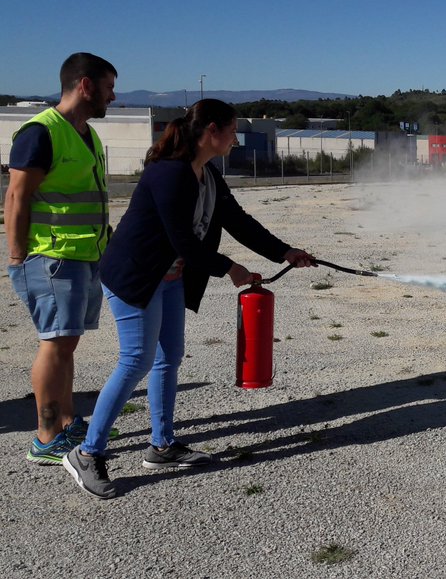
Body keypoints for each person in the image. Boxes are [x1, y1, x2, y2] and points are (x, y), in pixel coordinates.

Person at [62, 98, 315, 498]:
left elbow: (238, 221)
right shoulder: (168, 173)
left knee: (168, 357)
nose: (235, 138)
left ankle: (161, 445)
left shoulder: (208, 174)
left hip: (170, 277)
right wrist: (231, 269)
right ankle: (87, 452)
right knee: (136, 360)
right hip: (135, 275)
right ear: (210, 131)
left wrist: (285, 252)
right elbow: (180, 239)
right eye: (231, 130)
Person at [6, 53, 117, 465]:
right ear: (85, 85)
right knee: (54, 345)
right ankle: (46, 436)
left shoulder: (86, 133)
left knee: (67, 344)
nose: (113, 96)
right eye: (108, 87)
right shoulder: (41, 132)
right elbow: (17, 196)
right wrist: (18, 256)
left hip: (84, 255)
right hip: (52, 258)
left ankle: (67, 423)